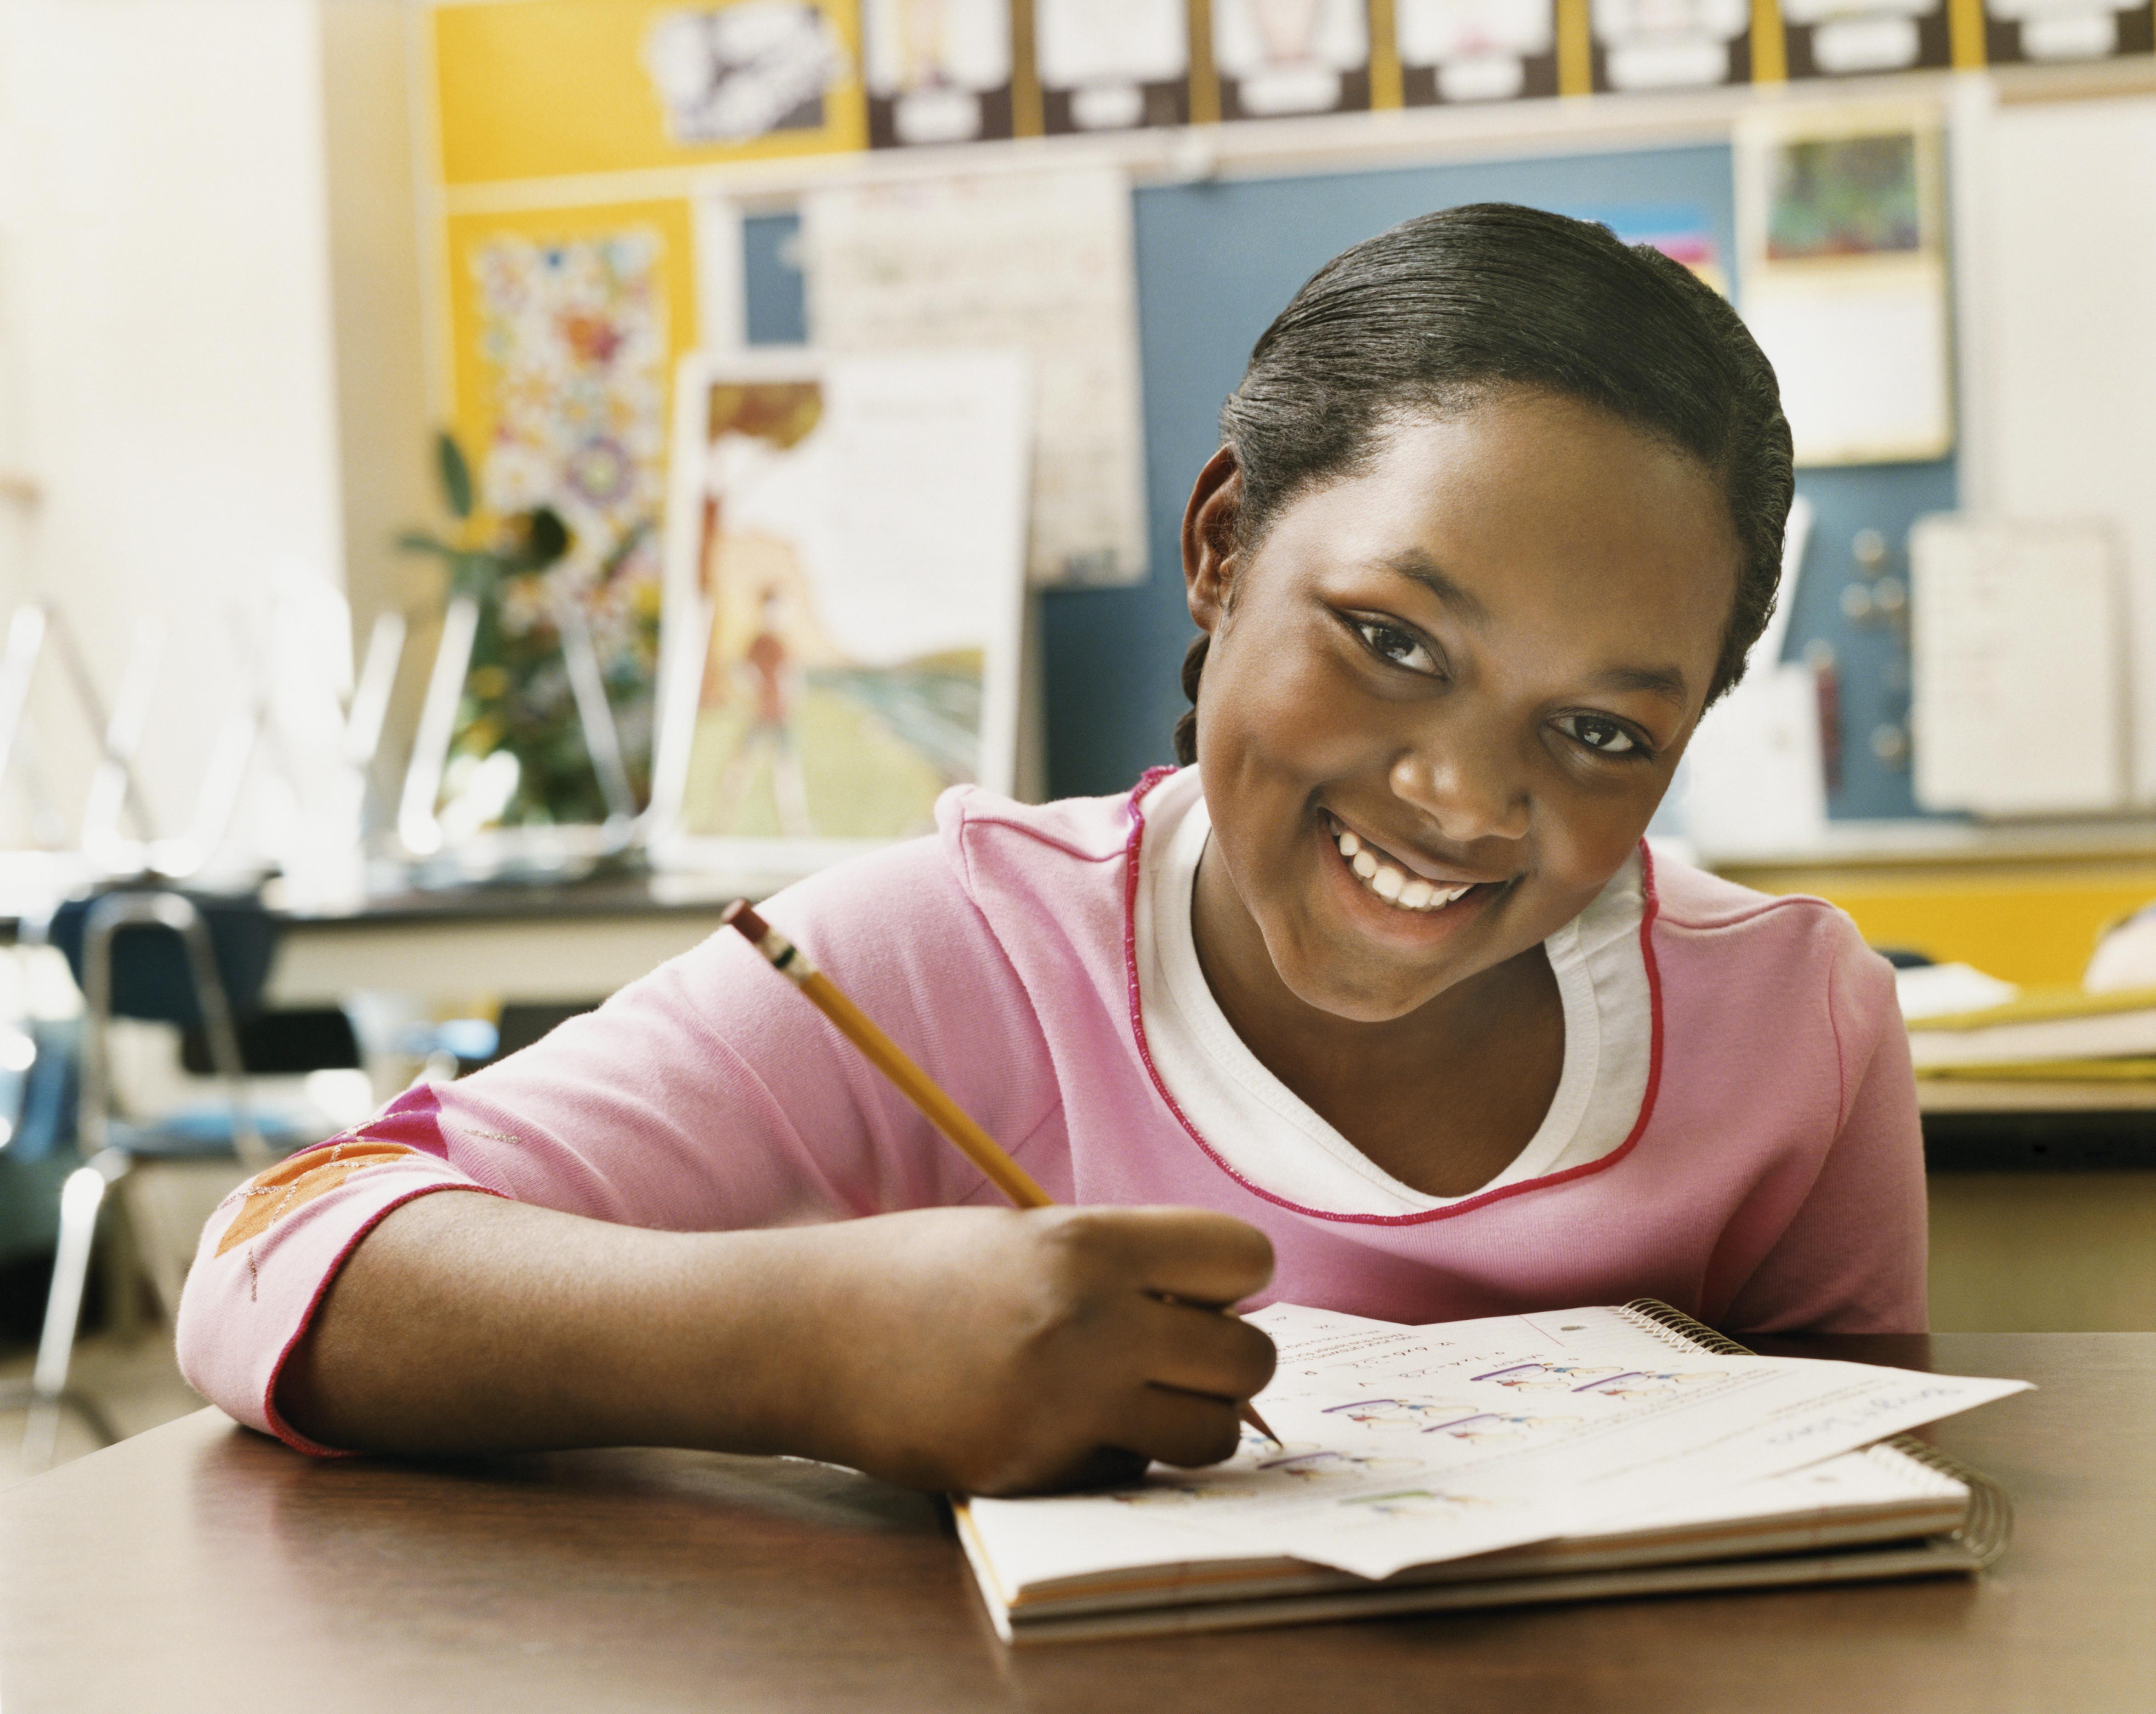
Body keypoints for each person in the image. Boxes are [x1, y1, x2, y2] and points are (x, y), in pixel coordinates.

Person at [175, 204, 1922, 1499]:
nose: (1463, 801)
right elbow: (273, 1251)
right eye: (1390, 639)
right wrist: (807, 1343)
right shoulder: (945, 949)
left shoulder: (1796, 1029)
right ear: (1225, 545)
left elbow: (1870, 1518)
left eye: (1604, 733)